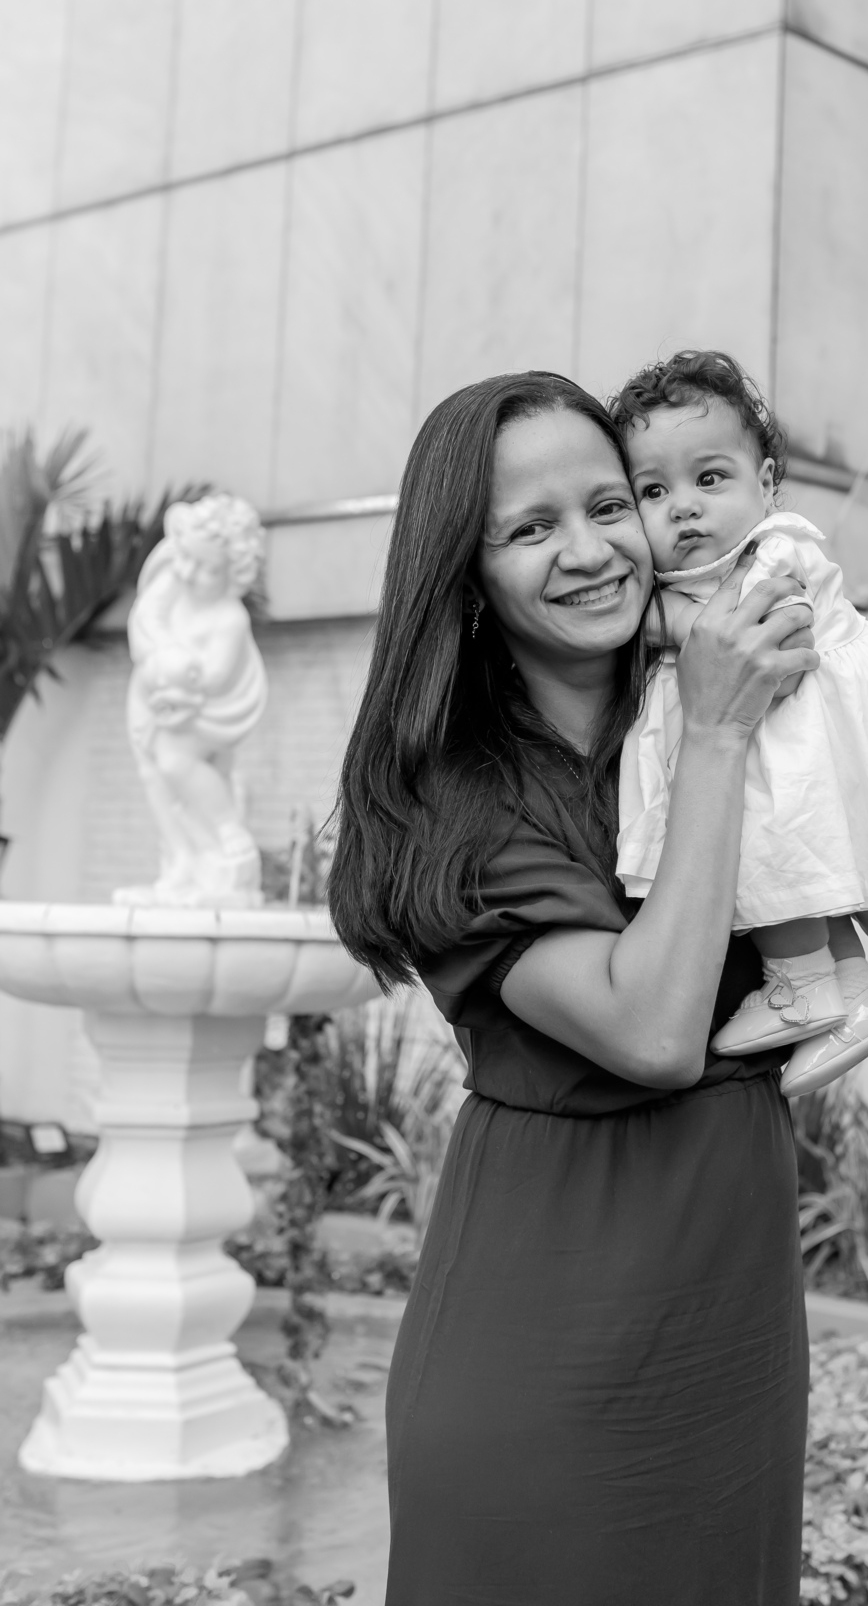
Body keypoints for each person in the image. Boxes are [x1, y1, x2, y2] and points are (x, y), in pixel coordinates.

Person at [328, 372, 821, 1605]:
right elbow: (653, 1033)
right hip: (547, 1341)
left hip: (732, 1328)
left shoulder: (696, 708)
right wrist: (719, 736)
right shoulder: (451, 803)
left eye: (610, 506)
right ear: (468, 573)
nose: (593, 552)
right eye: (532, 528)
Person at [610, 350, 868, 1098]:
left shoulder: (777, 548)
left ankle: (799, 983)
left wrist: (664, 621)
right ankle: (854, 994)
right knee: (780, 852)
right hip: (784, 731)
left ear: (767, 484)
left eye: (710, 478)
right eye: (654, 490)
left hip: (803, 727)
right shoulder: (687, 575)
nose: (683, 506)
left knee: (769, 833)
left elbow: (774, 631)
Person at [116, 493, 267, 907]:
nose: (188, 571)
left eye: (207, 567)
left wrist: (181, 668)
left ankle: (226, 830)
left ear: (234, 572)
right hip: (151, 696)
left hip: (199, 711)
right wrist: (165, 655)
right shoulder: (172, 583)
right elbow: (145, 619)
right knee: (153, 773)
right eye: (185, 557)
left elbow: (215, 674)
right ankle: (180, 859)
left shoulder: (229, 618)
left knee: (175, 762)